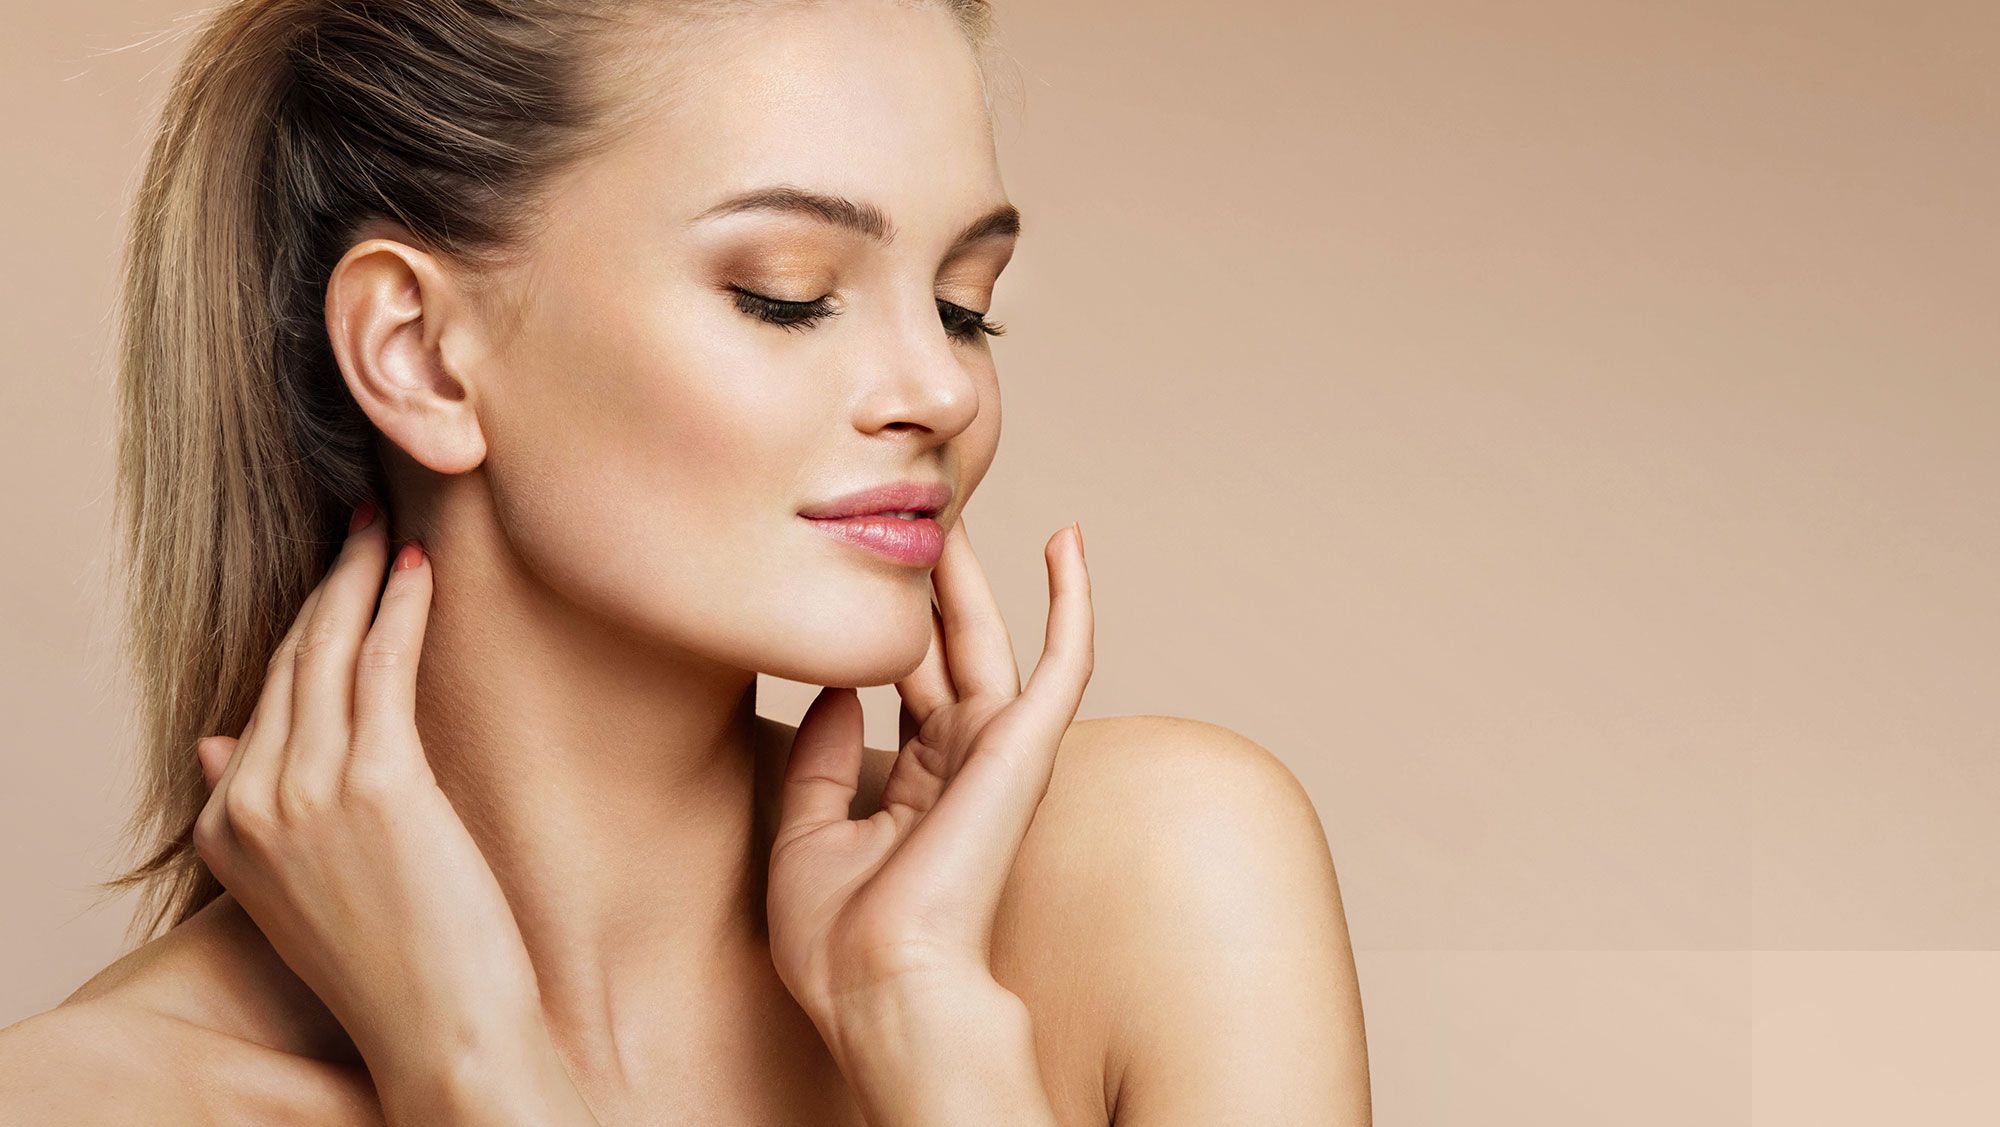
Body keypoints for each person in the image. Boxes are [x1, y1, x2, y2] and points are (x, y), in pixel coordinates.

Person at [0, 0, 1371, 1121]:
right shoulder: (91, 1102)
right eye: (788, 293)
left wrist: (933, 1036)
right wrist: (471, 1068)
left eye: (965, 308)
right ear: (418, 353)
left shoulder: (1155, 882)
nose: (940, 392)